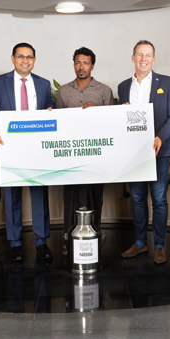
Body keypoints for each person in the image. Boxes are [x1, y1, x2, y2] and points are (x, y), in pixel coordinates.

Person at [0, 43, 55, 261]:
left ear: (34, 60)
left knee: (39, 196)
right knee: (12, 197)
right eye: (21, 56)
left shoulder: (44, 84)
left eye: (29, 57)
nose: (25, 60)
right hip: (9, 148)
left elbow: (50, 109)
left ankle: (41, 241)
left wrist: (50, 112)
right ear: (13, 58)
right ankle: (15, 243)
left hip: (37, 150)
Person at [118, 40, 170, 265]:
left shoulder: (166, 82)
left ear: (153, 59)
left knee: (159, 199)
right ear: (133, 58)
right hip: (134, 152)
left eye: (148, 55)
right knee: (137, 199)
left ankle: (160, 246)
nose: (143, 59)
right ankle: (140, 242)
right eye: (139, 54)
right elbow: (122, 121)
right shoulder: (123, 86)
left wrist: (159, 137)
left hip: (159, 151)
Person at [56, 47, 114, 254]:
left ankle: (94, 238)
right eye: (78, 62)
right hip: (71, 154)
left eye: (86, 63)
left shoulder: (104, 91)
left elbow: (112, 123)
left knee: (95, 196)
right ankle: (68, 240)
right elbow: (58, 124)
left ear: (92, 66)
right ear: (74, 65)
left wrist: (96, 112)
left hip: (96, 155)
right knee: (70, 197)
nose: (81, 67)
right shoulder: (63, 91)